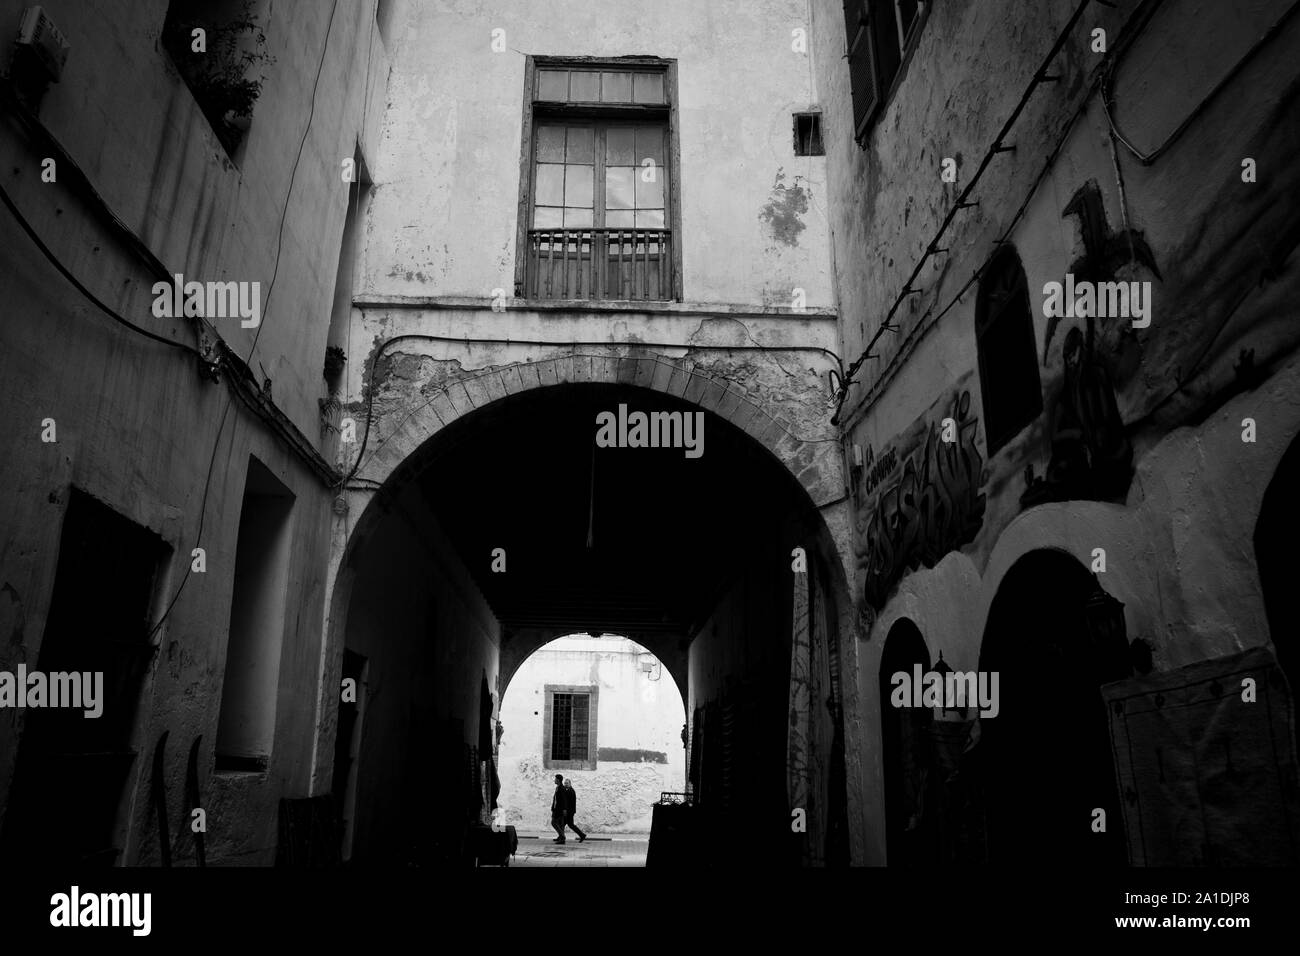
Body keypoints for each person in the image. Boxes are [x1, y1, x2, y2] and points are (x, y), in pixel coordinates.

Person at [562, 778, 586, 842]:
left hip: (569, 812)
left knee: (569, 825)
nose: (565, 784)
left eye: (567, 783)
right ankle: (561, 836)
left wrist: (566, 811)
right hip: (568, 811)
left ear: (570, 784)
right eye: (565, 783)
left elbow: (569, 803)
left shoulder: (570, 791)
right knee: (563, 824)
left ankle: (582, 835)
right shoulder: (568, 790)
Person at [550, 774, 567, 843]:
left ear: (558, 780)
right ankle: (561, 838)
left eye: (555, 779)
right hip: (556, 809)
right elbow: (555, 799)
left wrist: (564, 809)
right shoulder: (558, 787)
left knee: (553, 822)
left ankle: (562, 836)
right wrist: (552, 807)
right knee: (560, 824)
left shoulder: (561, 788)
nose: (554, 780)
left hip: (559, 810)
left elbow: (564, 800)